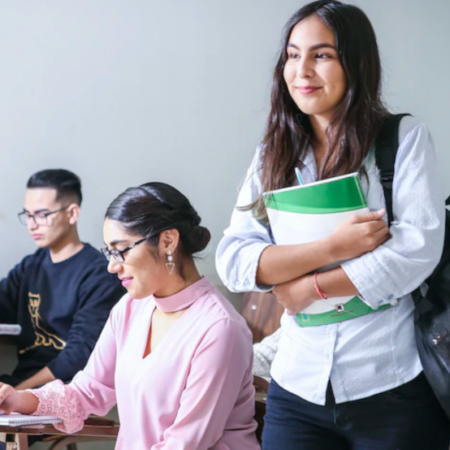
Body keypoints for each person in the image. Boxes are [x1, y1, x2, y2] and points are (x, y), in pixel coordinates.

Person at [216, 1, 449, 449]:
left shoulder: (402, 139)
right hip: (297, 385)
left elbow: (415, 252)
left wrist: (308, 289)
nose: (302, 70)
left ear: (356, 63)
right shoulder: (273, 153)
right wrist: (334, 248)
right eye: (292, 54)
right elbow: (234, 258)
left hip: (390, 382)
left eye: (321, 54)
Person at [0, 182, 260, 450]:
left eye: (121, 249)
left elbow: (185, 444)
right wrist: (17, 399)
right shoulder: (130, 309)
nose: (112, 266)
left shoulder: (219, 329)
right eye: (109, 251)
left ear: (168, 241)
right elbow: (87, 391)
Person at [0, 169, 124, 390]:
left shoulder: (99, 274)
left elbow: (80, 356)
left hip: (65, 392)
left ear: (72, 213)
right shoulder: (30, 266)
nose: (31, 225)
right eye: (28, 215)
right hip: (20, 386)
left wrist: (18, 394)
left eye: (41, 215)